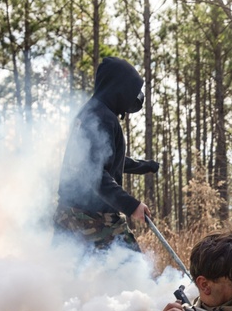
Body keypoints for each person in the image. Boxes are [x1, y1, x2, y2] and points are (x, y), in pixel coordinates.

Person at [54, 56, 159, 252]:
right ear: (119, 87)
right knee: (134, 273)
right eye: (132, 89)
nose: (135, 96)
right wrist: (131, 205)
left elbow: (105, 160)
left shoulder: (91, 112)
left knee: (64, 275)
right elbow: (94, 173)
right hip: (95, 217)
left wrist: (145, 166)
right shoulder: (101, 118)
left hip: (68, 212)